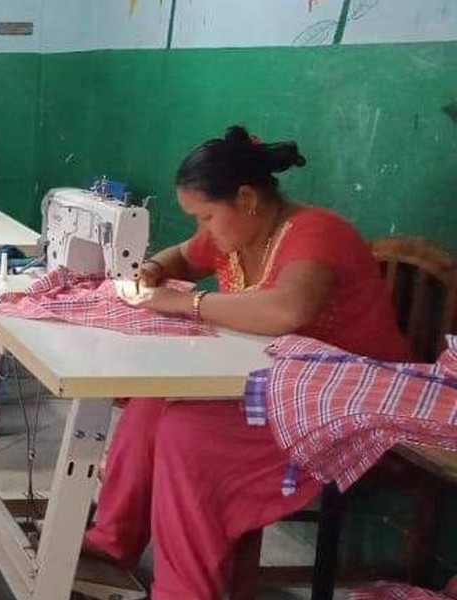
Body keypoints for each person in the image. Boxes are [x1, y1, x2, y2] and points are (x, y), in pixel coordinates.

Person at [82, 125, 412, 599]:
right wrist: (153, 271)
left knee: (188, 435)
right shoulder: (234, 233)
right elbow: (180, 257)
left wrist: (186, 304)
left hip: (345, 402)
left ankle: (186, 590)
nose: (204, 230)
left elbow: (286, 311)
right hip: (280, 385)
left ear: (246, 198)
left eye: (207, 217)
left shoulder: (317, 232)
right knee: (151, 403)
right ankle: (112, 542)